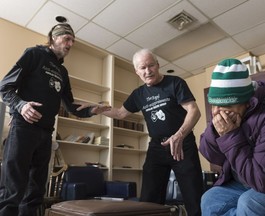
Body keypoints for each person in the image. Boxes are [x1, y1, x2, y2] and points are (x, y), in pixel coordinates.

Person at [0, 23, 110, 216]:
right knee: (13, 189)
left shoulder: (63, 73)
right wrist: (21, 105)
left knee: (35, 192)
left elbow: (71, 106)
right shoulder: (33, 54)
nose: (70, 44)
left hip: (45, 135)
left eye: (73, 41)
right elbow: (5, 87)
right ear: (53, 38)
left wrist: (94, 110)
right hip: (23, 128)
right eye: (67, 38)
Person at [97, 48, 203, 216]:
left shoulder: (175, 83)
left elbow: (194, 111)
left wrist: (179, 135)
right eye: (142, 68)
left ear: (158, 65)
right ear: (136, 71)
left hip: (182, 144)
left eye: (151, 66)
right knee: (149, 199)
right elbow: (119, 113)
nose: (147, 71)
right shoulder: (138, 94)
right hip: (157, 147)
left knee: (194, 196)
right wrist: (96, 109)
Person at [199, 58, 265, 216]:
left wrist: (231, 135)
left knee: (249, 203)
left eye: (228, 106)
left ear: (247, 102)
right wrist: (215, 131)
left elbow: (263, 180)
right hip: (243, 183)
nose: (219, 113)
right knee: (210, 199)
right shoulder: (223, 114)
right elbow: (210, 154)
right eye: (215, 105)